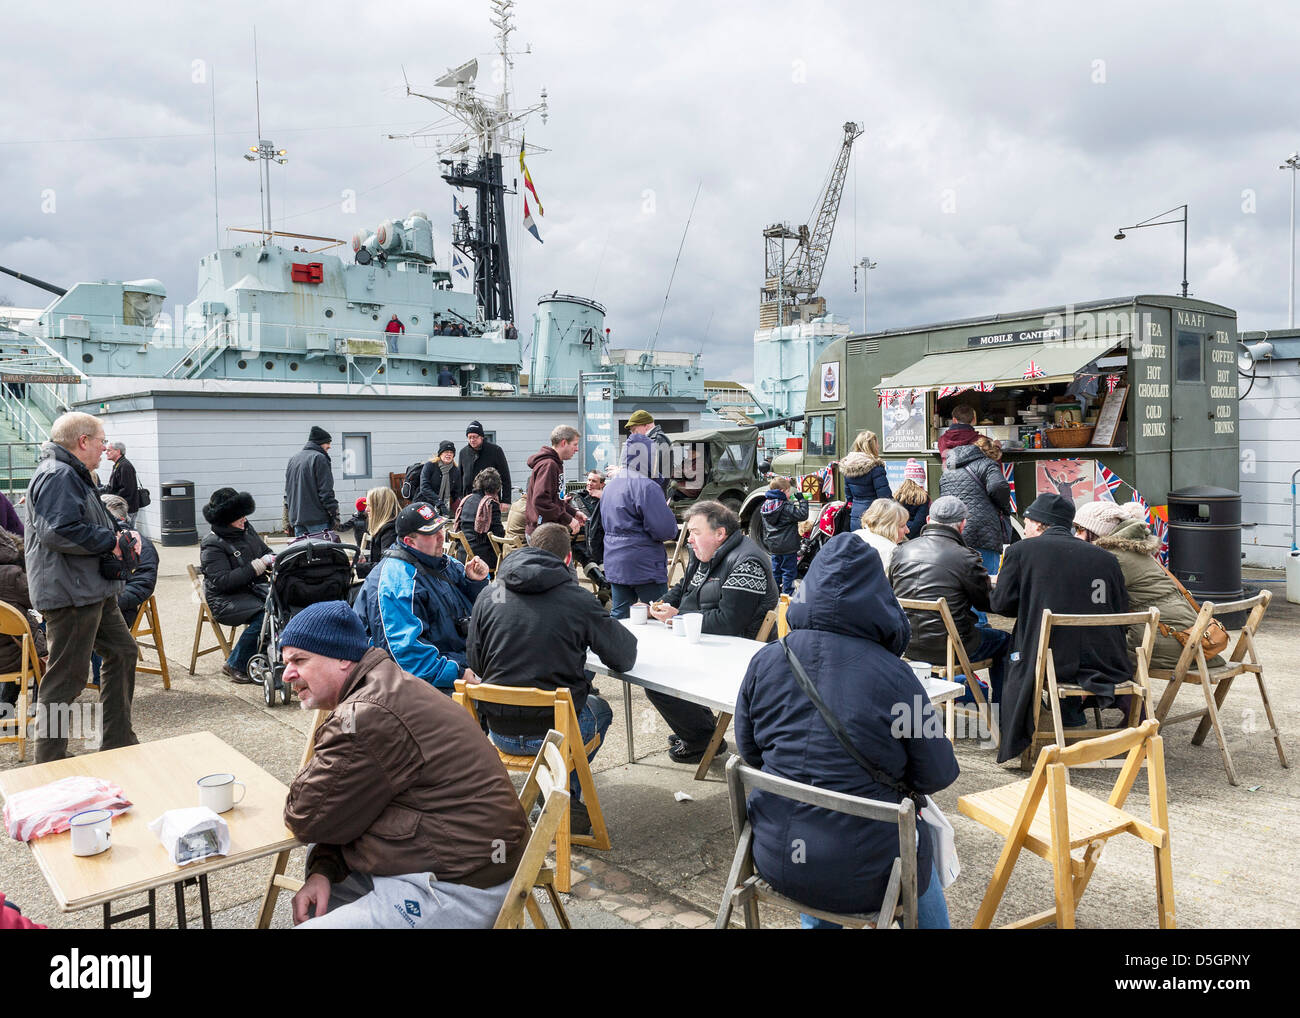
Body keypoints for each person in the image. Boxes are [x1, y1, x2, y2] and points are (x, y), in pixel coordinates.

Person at [735, 534, 960, 929]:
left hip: (774, 853)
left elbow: (750, 752)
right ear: (880, 597)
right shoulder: (896, 676)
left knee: (820, 825)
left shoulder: (767, 659)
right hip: (868, 871)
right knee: (914, 848)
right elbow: (937, 774)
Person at [280, 602, 529, 929]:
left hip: (459, 887)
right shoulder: (383, 682)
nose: (286, 675)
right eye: (285, 663)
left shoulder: (365, 715)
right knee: (318, 902)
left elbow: (305, 816)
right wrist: (323, 869)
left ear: (343, 658)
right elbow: (339, 812)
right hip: (453, 861)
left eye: (300, 660)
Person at [465, 523, 638, 834]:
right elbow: (624, 658)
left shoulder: (493, 592)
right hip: (554, 734)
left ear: (528, 547)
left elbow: (476, 663)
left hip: (498, 731)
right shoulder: (577, 598)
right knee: (601, 710)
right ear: (568, 559)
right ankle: (560, 798)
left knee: (576, 708)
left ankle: (556, 798)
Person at [25, 412, 141, 762]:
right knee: (66, 679)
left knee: (122, 652)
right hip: (71, 593)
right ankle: (48, 759)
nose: (105, 447)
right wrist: (112, 541)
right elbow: (58, 530)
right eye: (101, 441)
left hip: (90, 589)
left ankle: (118, 741)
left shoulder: (71, 474)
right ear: (83, 441)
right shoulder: (58, 475)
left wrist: (117, 534)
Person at [991, 493, 1132, 761]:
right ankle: (1071, 717)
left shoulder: (1021, 551)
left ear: (1038, 523)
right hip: (1107, 662)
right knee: (1067, 640)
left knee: (1021, 651)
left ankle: (1034, 731)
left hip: (1046, 662)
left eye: (1028, 521)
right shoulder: (1106, 558)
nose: (1025, 527)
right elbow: (1121, 612)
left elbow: (1002, 606)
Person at [648, 500, 778, 764]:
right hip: (707, 644)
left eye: (695, 532)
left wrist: (679, 618)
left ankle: (701, 739)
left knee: (657, 680)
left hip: (737, 654)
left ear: (720, 534)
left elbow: (729, 622)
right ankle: (702, 731)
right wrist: (659, 605)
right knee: (651, 669)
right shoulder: (706, 553)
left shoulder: (747, 561)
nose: (689, 540)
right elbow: (684, 589)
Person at [354, 502, 490, 691]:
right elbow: (407, 658)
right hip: (417, 684)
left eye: (442, 528)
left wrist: (476, 582)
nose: (441, 537)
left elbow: (482, 609)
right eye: (431, 533)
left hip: (459, 659)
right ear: (409, 541)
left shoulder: (443, 562)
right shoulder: (397, 581)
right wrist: (458, 673)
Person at [890, 495, 1009, 708]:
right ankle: (1004, 715)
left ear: (928, 520)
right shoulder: (965, 557)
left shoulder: (900, 551)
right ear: (962, 524)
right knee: (1006, 641)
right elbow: (986, 604)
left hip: (907, 645)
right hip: (952, 648)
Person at [1076, 500, 1212, 671]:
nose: (1075, 535)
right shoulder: (1133, 551)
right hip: (1191, 641)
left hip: (1170, 645)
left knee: (1082, 651)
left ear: (1097, 531)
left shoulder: (1111, 559)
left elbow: (1093, 604)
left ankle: (1111, 698)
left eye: (1079, 529)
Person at [200, 488, 275, 684]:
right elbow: (224, 581)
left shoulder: (246, 528)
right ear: (226, 519)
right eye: (238, 517)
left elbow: (265, 550)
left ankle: (265, 655)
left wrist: (273, 558)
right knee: (266, 615)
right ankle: (235, 663)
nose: (243, 520)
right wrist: (258, 565)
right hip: (224, 599)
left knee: (281, 607)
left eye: (244, 515)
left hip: (252, 591)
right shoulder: (212, 544)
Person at [602, 432, 679, 618]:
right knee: (659, 612)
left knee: (620, 614)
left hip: (615, 560)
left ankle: (616, 647)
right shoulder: (646, 486)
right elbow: (665, 530)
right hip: (644, 563)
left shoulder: (610, 486)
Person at [90, 494, 159, 686]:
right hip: (100, 602)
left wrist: (108, 602)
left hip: (120, 609)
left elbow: (142, 585)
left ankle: (100, 682)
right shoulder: (102, 541)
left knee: (95, 629)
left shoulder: (140, 544)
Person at [940, 436, 1012, 591]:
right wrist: (1004, 507)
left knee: (959, 583)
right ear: (991, 454)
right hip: (982, 532)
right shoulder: (988, 465)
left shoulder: (949, 469)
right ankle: (979, 616)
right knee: (983, 584)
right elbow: (999, 486)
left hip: (954, 532)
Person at [0, 528, 46, 709]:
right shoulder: (12, 575)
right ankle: (39, 705)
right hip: (13, 657)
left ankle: (6, 709)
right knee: (41, 646)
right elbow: (37, 601)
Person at [524, 425, 585, 538]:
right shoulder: (549, 465)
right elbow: (541, 501)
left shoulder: (556, 463)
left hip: (548, 530)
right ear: (563, 443)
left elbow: (555, 499)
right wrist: (568, 519)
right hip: (543, 532)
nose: (577, 449)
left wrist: (573, 512)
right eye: (575, 444)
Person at [285, 426, 339, 538]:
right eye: (327, 443)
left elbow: (288, 493)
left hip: (297, 520)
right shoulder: (320, 458)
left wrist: (288, 519)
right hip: (317, 520)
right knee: (322, 554)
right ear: (320, 442)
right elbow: (326, 491)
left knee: (303, 554)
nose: (329, 446)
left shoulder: (293, 459)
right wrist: (334, 513)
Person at [759, 476, 808, 595]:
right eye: (787, 491)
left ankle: (774, 593)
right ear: (781, 491)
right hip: (788, 546)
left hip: (773, 546)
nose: (789, 493)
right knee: (789, 572)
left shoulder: (765, 506)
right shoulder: (785, 507)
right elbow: (803, 515)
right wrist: (802, 501)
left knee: (776, 571)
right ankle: (788, 593)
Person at [841, 430, 891, 532]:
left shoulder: (847, 466)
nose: (878, 446)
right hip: (873, 518)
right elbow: (885, 497)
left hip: (855, 516)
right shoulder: (876, 468)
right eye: (877, 444)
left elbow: (849, 497)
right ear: (872, 446)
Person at [458, 467, 505, 571]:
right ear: (496, 487)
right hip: (481, 559)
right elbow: (498, 535)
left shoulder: (467, 499)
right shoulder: (490, 504)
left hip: (463, 554)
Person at [457, 420, 512, 499]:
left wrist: (506, 500)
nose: (472, 440)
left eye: (475, 437)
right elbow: (460, 478)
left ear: (481, 437)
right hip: (469, 499)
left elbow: (505, 477)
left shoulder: (495, 450)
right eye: (469, 437)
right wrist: (460, 498)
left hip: (490, 498)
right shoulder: (463, 452)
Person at [856, 498, 910, 578]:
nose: (907, 530)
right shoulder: (890, 551)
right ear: (888, 527)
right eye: (902, 526)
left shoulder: (855, 535)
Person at [355, 486, 400, 580]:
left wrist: (357, 567)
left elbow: (387, 567)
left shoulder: (390, 531)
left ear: (380, 507)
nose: (366, 509)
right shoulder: (390, 526)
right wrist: (366, 562)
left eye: (369, 505)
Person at [625, 409, 672, 492]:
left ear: (646, 426)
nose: (633, 434)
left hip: (654, 492)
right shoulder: (652, 440)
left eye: (634, 430)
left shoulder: (658, 440)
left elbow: (652, 470)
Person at [570, 468, 607, 567]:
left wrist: (604, 498)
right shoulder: (577, 497)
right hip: (582, 540)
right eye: (589, 480)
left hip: (604, 539)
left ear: (602, 484)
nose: (590, 483)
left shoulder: (608, 498)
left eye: (594, 481)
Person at [417, 441, 463, 517]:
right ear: (440, 453)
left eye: (451, 452)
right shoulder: (430, 466)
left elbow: (457, 491)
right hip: (425, 503)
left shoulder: (455, 470)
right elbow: (424, 487)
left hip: (445, 507)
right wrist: (439, 502)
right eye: (446, 452)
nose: (449, 454)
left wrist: (449, 502)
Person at [101, 441, 140, 520]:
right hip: (121, 508)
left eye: (109, 450)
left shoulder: (125, 466)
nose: (106, 453)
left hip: (126, 509)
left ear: (118, 451)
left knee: (127, 531)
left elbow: (127, 490)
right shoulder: (119, 464)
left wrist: (112, 500)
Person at [894, 460, 930, 540]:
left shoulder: (897, 495)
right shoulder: (923, 497)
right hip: (917, 537)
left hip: (900, 535)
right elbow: (920, 521)